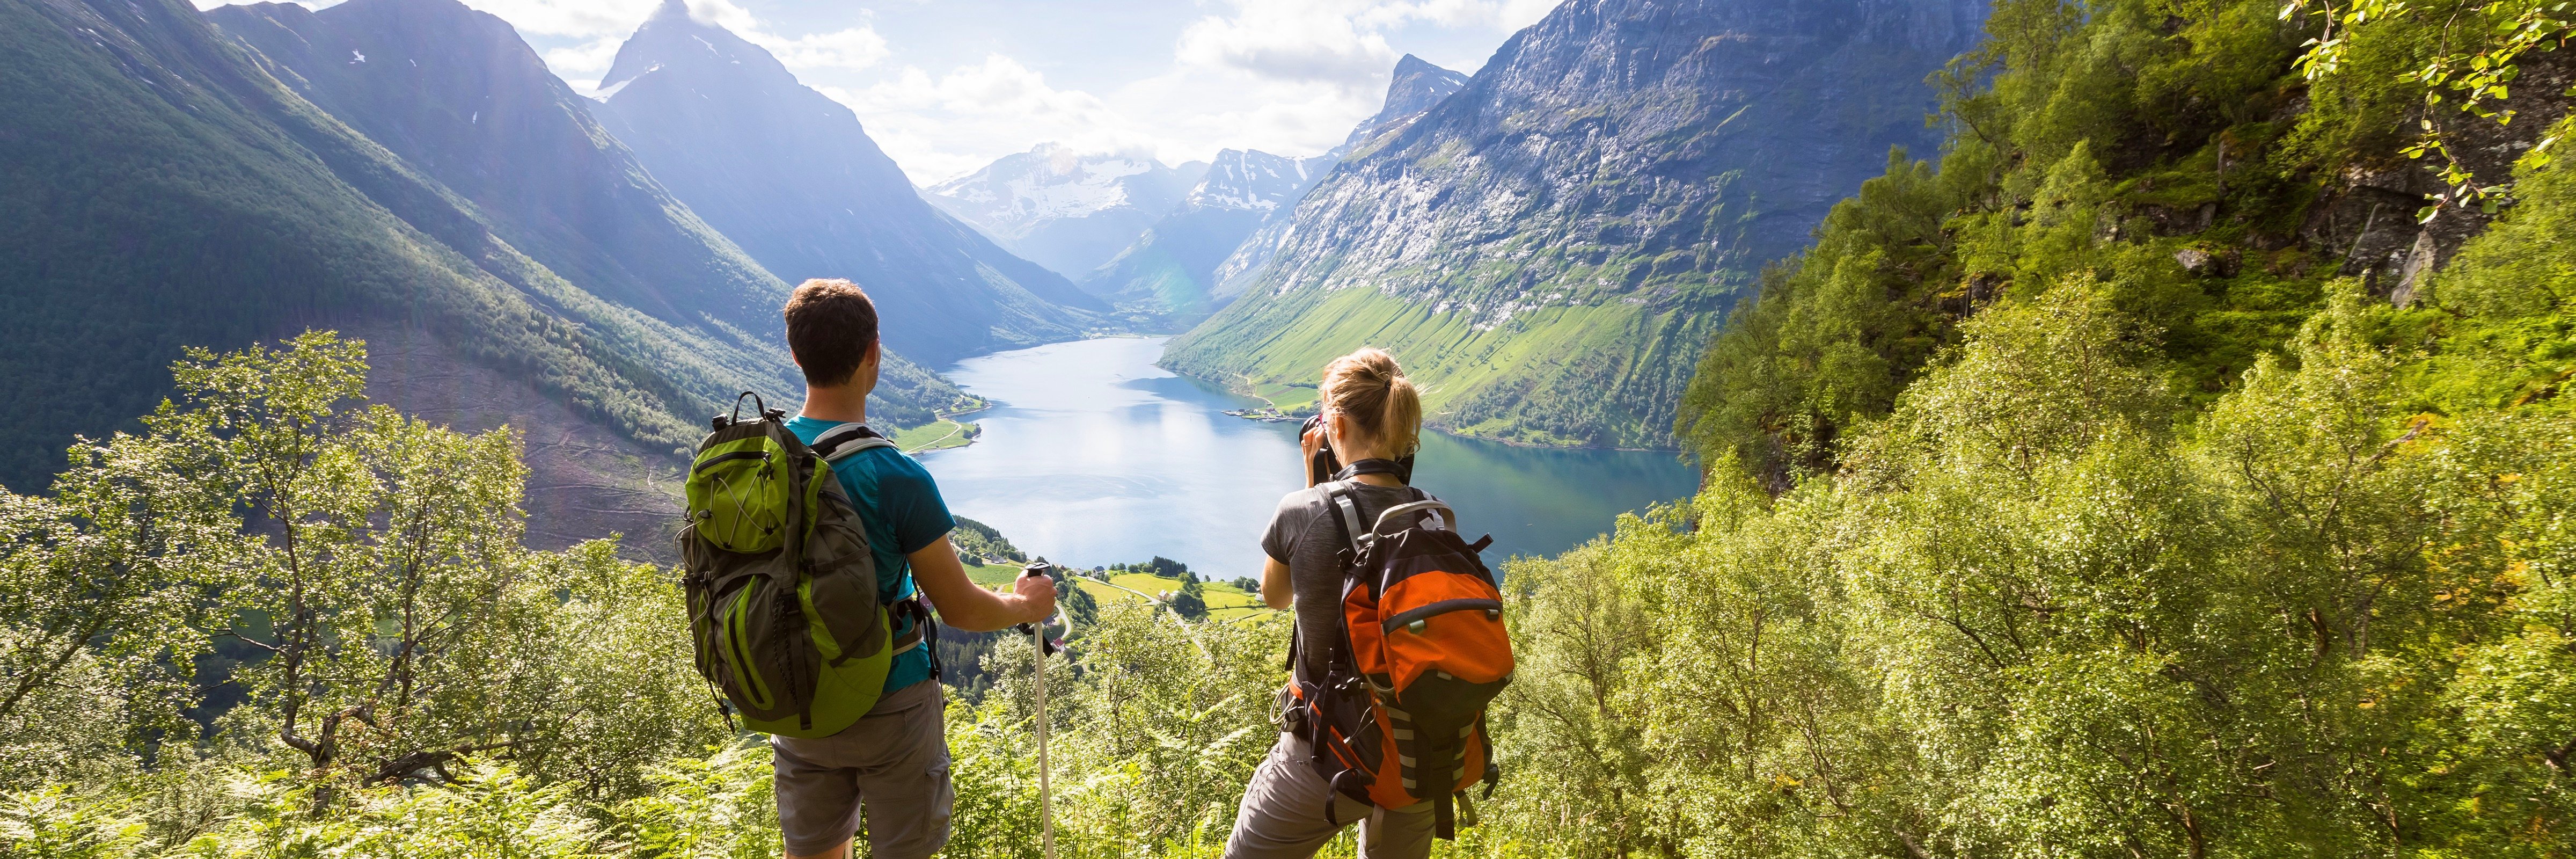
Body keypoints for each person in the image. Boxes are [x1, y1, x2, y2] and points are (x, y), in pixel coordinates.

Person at [773, 278, 1057, 859]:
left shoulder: (763, 461)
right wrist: (1028, 605)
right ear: (875, 353)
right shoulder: (894, 475)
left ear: (795, 353)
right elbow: (961, 607)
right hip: (891, 701)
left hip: (795, 698)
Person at [1223, 347, 1436, 859]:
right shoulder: (1428, 513)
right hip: (1419, 756)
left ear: (1335, 424)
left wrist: (1312, 484)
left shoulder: (1301, 510)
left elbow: (1274, 597)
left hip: (1325, 754)